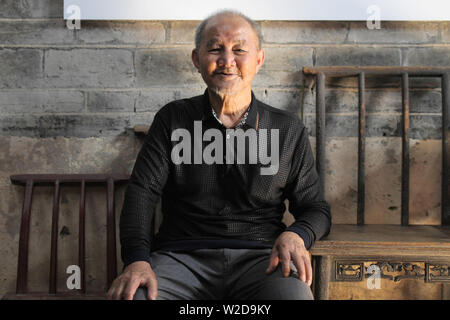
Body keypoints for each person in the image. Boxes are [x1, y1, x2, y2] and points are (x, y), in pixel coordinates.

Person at [107, 9, 331, 300]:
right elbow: (141, 194)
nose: (227, 61)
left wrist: (297, 234)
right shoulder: (173, 119)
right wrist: (136, 259)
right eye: (215, 49)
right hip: (180, 258)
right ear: (196, 59)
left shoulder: (286, 128)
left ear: (259, 59)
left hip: (262, 259)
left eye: (239, 50)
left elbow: (316, 209)